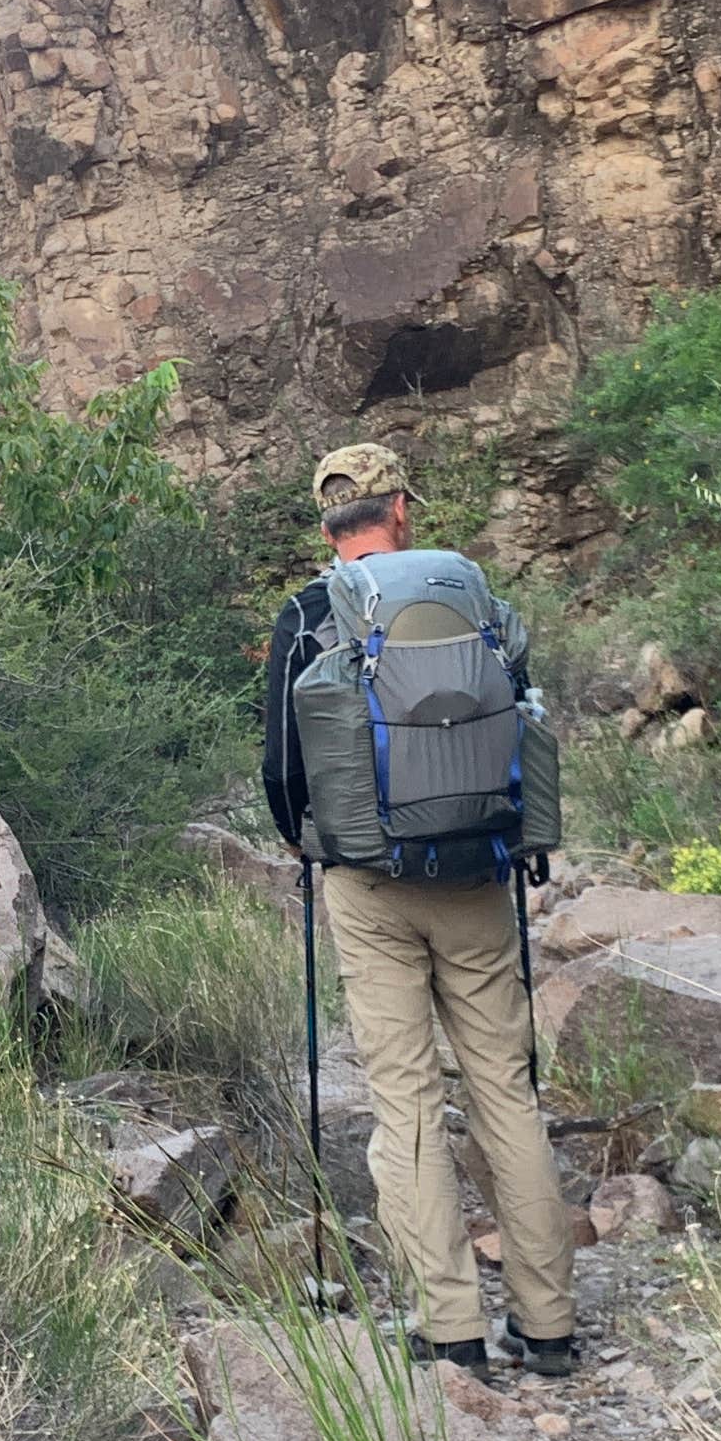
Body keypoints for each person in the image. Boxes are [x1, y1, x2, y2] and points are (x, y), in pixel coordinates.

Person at [260, 442, 581, 1376]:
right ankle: (548, 1322)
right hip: (478, 876)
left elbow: (282, 764)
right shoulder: (470, 594)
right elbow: (521, 714)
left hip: (367, 883)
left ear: (328, 524)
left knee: (405, 1100)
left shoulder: (310, 609)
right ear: (399, 510)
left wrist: (305, 838)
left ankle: (450, 1329)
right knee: (503, 1091)